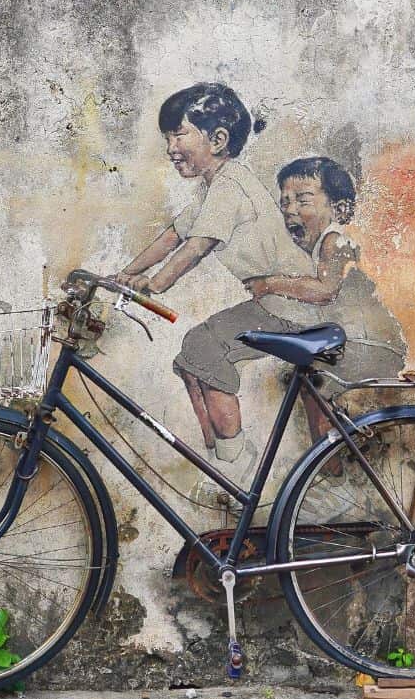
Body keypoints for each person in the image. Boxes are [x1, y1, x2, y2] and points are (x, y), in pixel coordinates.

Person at [115, 83, 315, 485]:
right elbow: (173, 235)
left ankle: (239, 462)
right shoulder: (214, 186)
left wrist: (154, 284)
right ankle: (221, 458)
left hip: (293, 305)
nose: (171, 147)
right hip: (272, 304)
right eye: (167, 137)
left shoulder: (231, 186)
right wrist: (122, 274)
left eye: (179, 134)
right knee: (193, 355)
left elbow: (196, 248)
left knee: (206, 349)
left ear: (218, 140)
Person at [250, 156, 408, 452]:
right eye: (285, 202)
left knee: (315, 384)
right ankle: (328, 464)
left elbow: (324, 291)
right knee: (311, 388)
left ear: (339, 209)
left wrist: (269, 284)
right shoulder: (323, 244)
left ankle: (329, 466)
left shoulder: (333, 240)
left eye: (303, 200)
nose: (290, 210)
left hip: (368, 343)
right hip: (355, 340)